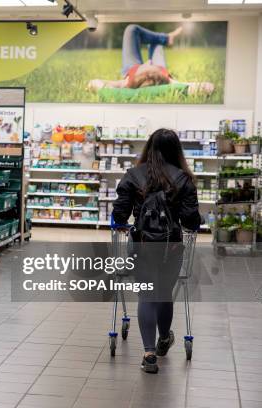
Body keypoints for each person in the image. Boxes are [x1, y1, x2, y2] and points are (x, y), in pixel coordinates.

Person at [112, 128, 201, 374]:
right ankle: (164, 339)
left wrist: (122, 223)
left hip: (142, 245)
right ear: (177, 150)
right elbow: (191, 219)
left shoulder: (134, 175)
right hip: (171, 246)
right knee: (163, 291)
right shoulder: (183, 178)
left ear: (149, 147)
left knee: (146, 295)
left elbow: (119, 213)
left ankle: (149, 354)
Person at [87, 24, 214, 96]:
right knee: (156, 44)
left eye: (146, 65)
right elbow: (208, 87)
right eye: (150, 65)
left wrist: (125, 87)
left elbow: (93, 83)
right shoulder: (169, 82)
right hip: (159, 69)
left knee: (132, 30)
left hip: (131, 67)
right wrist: (171, 84)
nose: (148, 62)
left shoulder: (126, 83)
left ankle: (165, 38)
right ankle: (166, 38)